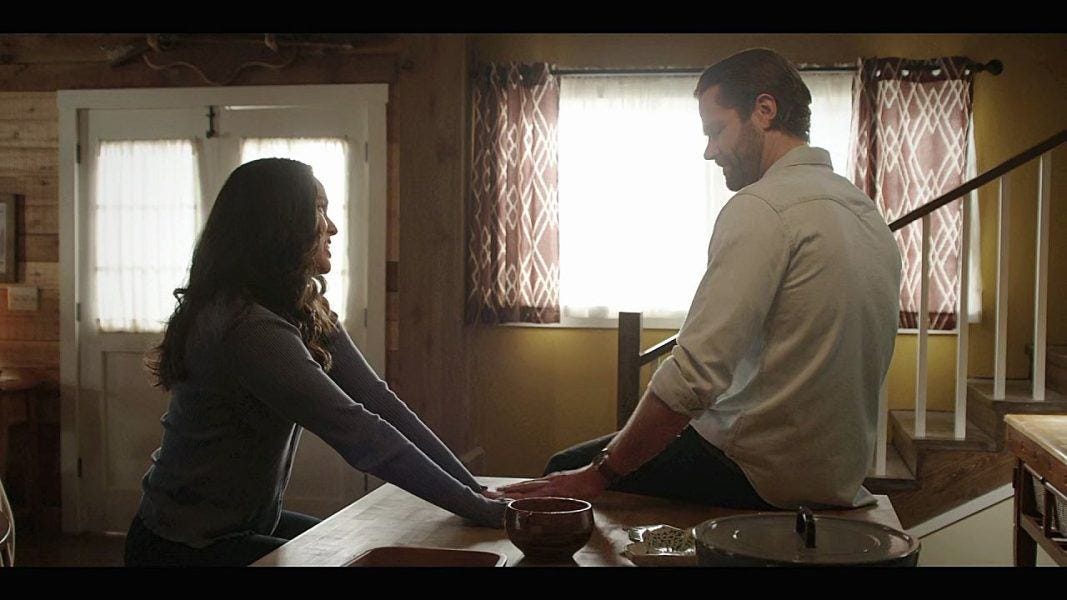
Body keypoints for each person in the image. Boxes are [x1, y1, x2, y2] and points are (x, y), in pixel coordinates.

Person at [500, 48, 902, 511]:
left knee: (561, 476)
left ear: (764, 110)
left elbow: (694, 376)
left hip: (760, 473)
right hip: (836, 476)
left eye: (715, 130)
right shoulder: (864, 213)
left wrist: (599, 474)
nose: (709, 150)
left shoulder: (763, 207)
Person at [125, 158, 506, 566]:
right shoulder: (246, 326)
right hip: (182, 548)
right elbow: (359, 432)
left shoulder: (302, 307)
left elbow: (379, 402)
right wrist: (478, 508)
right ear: (280, 225)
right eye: (319, 209)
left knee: (357, 546)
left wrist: (477, 492)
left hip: (243, 528)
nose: (332, 227)